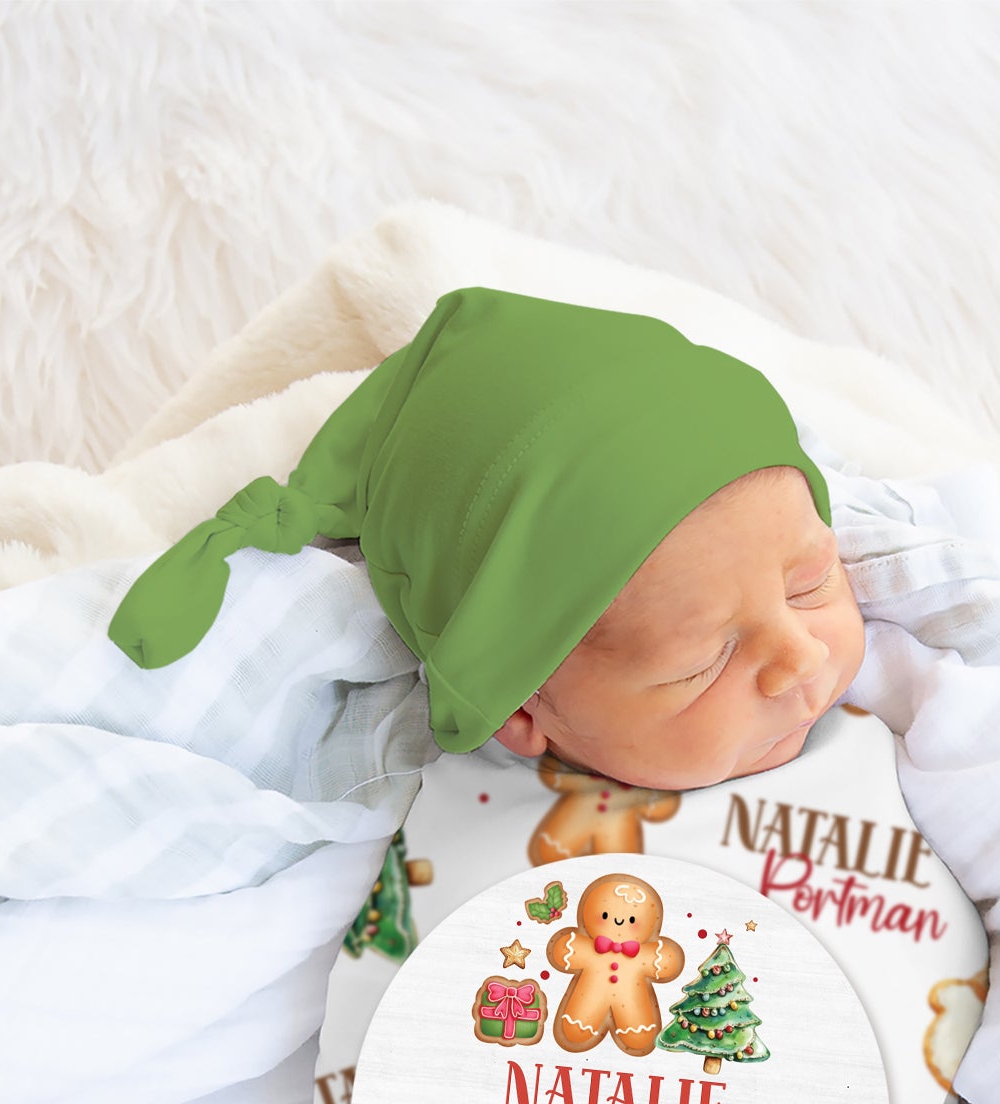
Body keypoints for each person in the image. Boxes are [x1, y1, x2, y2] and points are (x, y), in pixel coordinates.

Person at [108, 285, 866, 791]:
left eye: (812, 584)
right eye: (701, 664)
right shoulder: (409, 809)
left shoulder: (902, 669)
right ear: (520, 711)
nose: (803, 660)